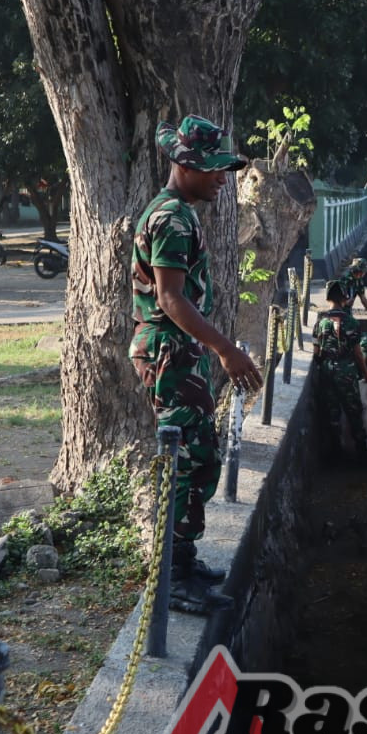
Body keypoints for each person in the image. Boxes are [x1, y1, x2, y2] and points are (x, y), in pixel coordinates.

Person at [129, 115, 263, 615]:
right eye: (213, 169)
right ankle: (174, 577)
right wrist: (226, 349)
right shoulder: (171, 219)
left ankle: (182, 560)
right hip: (170, 350)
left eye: (224, 168)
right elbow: (170, 299)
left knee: (197, 455)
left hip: (179, 350)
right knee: (187, 460)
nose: (222, 178)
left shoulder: (178, 213)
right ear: (184, 166)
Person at [313, 279, 367, 458]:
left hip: (327, 371)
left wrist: (324, 368)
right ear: (345, 299)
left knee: (332, 412)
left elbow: (317, 352)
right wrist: (366, 373)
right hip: (347, 371)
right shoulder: (352, 323)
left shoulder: (321, 323)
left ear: (327, 298)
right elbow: (358, 354)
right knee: (354, 411)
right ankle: (362, 453)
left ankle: (335, 453)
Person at [337, 257, 367, 328]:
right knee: (351, 326)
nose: (364, 274)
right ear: (358, 271)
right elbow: (337, 298)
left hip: (348, 310)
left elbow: (363, 299)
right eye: (363, 271)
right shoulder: (345, 279)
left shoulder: (359, 280)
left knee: (353, 325)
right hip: (339, 310)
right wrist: (345, 302)